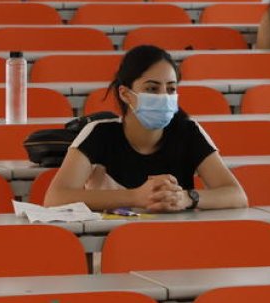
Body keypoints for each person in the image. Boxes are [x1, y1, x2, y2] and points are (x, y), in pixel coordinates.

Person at [44, 45, 247, 211]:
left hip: (179, 242)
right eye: (152, 88)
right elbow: (56, 198)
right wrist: (136, 196)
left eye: (171, 89)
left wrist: (186, 198)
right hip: (114, 245)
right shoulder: (99, 133)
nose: (163, 97)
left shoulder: (188, 131)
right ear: (125, 94)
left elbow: (236, 195)